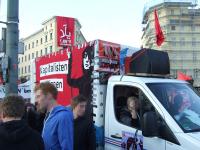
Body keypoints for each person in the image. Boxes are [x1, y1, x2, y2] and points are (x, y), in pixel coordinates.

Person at [34, 82, 73, 150]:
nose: (36, 101)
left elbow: (67, 147)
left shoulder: (63, 116)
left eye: (38, 96)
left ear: (49, 95)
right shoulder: (49, 115)